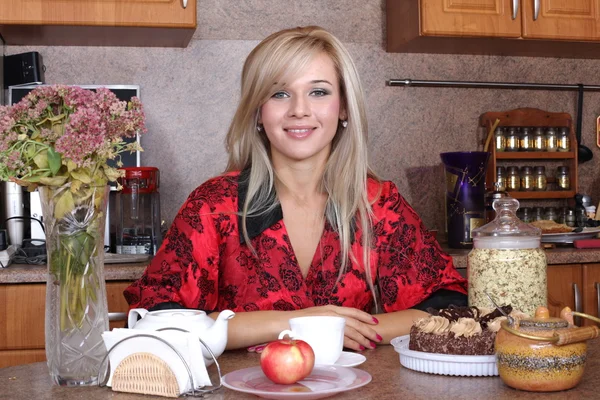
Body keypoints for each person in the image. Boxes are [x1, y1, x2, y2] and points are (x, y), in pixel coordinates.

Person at [124, 26, 467, 352]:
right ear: (258, 111)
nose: (300, 110)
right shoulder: (214, 206)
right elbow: (159, 323)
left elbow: (447, 309)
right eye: (279, 93)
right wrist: (295, 323)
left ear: (344, 106)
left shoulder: (378, 204)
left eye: (318, 91)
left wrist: (339, 328)